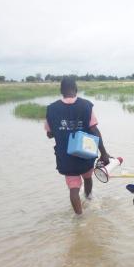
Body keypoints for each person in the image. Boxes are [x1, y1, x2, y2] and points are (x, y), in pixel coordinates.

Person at [45, 77, 110, 214]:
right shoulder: (86, 105)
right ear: (76, 89)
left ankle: (79, 217)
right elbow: (94, 130)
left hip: (65, 156)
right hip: (85, 153)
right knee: (88, 177)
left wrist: (61, 129)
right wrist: (104, 153)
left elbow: (49, 134)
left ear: (61, 91)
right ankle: (89, 197)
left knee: (73, 188)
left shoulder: (51, 109)